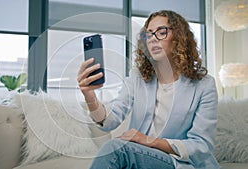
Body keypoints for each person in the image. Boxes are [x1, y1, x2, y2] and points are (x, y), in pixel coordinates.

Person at [77, 10, 220, 169]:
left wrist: (149, 141)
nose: (153, 39)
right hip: (140, 159)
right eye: (149, 34)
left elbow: (201, 146)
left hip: (178, 163)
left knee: (115, 149)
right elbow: (111, 120)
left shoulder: (204, 85)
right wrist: (89, 95)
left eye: (161, 32)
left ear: (179, 38)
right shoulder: (137, 77)